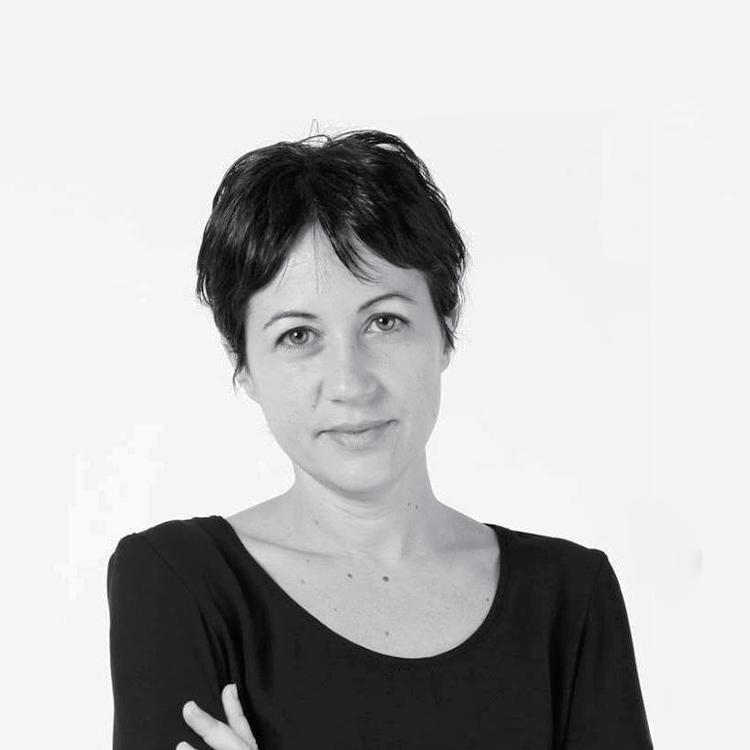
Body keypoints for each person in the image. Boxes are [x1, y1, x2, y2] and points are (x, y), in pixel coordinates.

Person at [106, 129, 654, 749]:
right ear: (244, 366)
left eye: (384, 321)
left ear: (445, 329)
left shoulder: (569, 598)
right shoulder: (177, 583)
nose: (349, 382)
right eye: (298, 336)